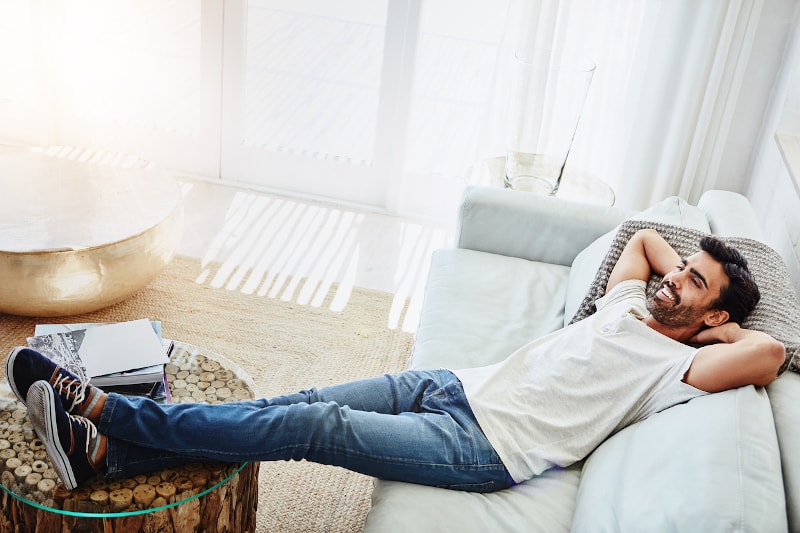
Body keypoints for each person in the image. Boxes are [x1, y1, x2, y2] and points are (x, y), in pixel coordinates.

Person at [6, 230, 786, 492]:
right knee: (300, 397)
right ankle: (109, 455)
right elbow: (645, 238)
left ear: (714, 312)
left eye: (694, 283)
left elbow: (772, 351)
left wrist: (712, 333)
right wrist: (688, 264)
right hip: (451, 385)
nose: (671, 275)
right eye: (681, 268)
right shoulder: (627, 302)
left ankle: (107, 410)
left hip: (486, 447)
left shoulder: (672, 370)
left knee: (310, 422)